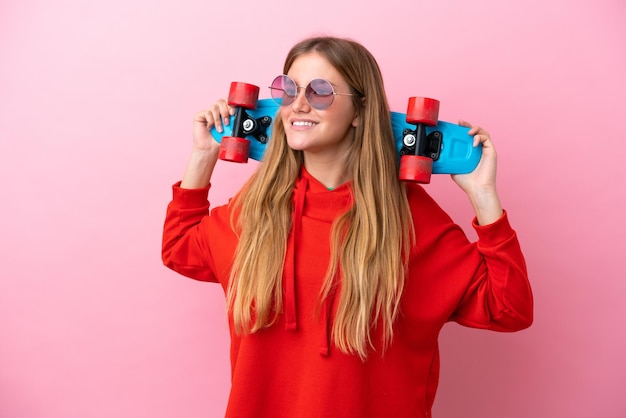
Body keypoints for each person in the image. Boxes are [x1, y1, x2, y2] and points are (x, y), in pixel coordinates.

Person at [162, 36, 533, 418]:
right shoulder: (255, 212)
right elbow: (179, 248)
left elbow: (509, 309)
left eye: (320, 91)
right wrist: (203, 156)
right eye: (288, 90)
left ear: (359, 110)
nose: (299, 104)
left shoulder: (408, 219)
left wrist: (484, 194)